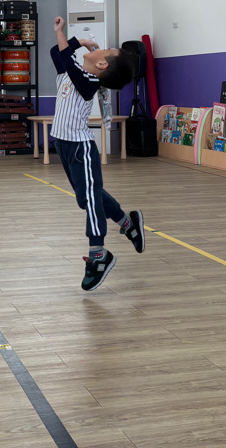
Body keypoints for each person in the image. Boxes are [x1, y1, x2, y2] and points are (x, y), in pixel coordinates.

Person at [50, 15, 144, 291]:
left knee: (90, 200)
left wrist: (68, 37)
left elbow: (66, 57)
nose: (98, 48)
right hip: (63, 145)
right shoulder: (72, 73)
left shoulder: (88, 81)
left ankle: (98, 254)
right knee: (88, 196)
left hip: (80, 148)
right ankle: (128, 223)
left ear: (101, 65)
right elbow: (57, 53)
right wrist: (73, 39)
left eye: (105, 50)